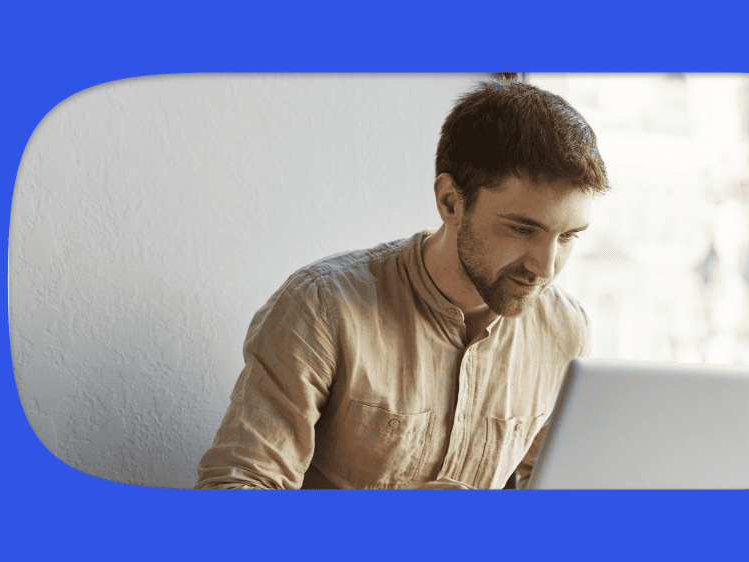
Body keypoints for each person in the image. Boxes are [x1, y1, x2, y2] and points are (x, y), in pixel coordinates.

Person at [195, 79, 610, 489]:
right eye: (522, 229)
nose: (545, 266)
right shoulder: (321, 306)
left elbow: (546, 490)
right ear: (451, 201)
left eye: (569, 236)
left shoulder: (565, 331)